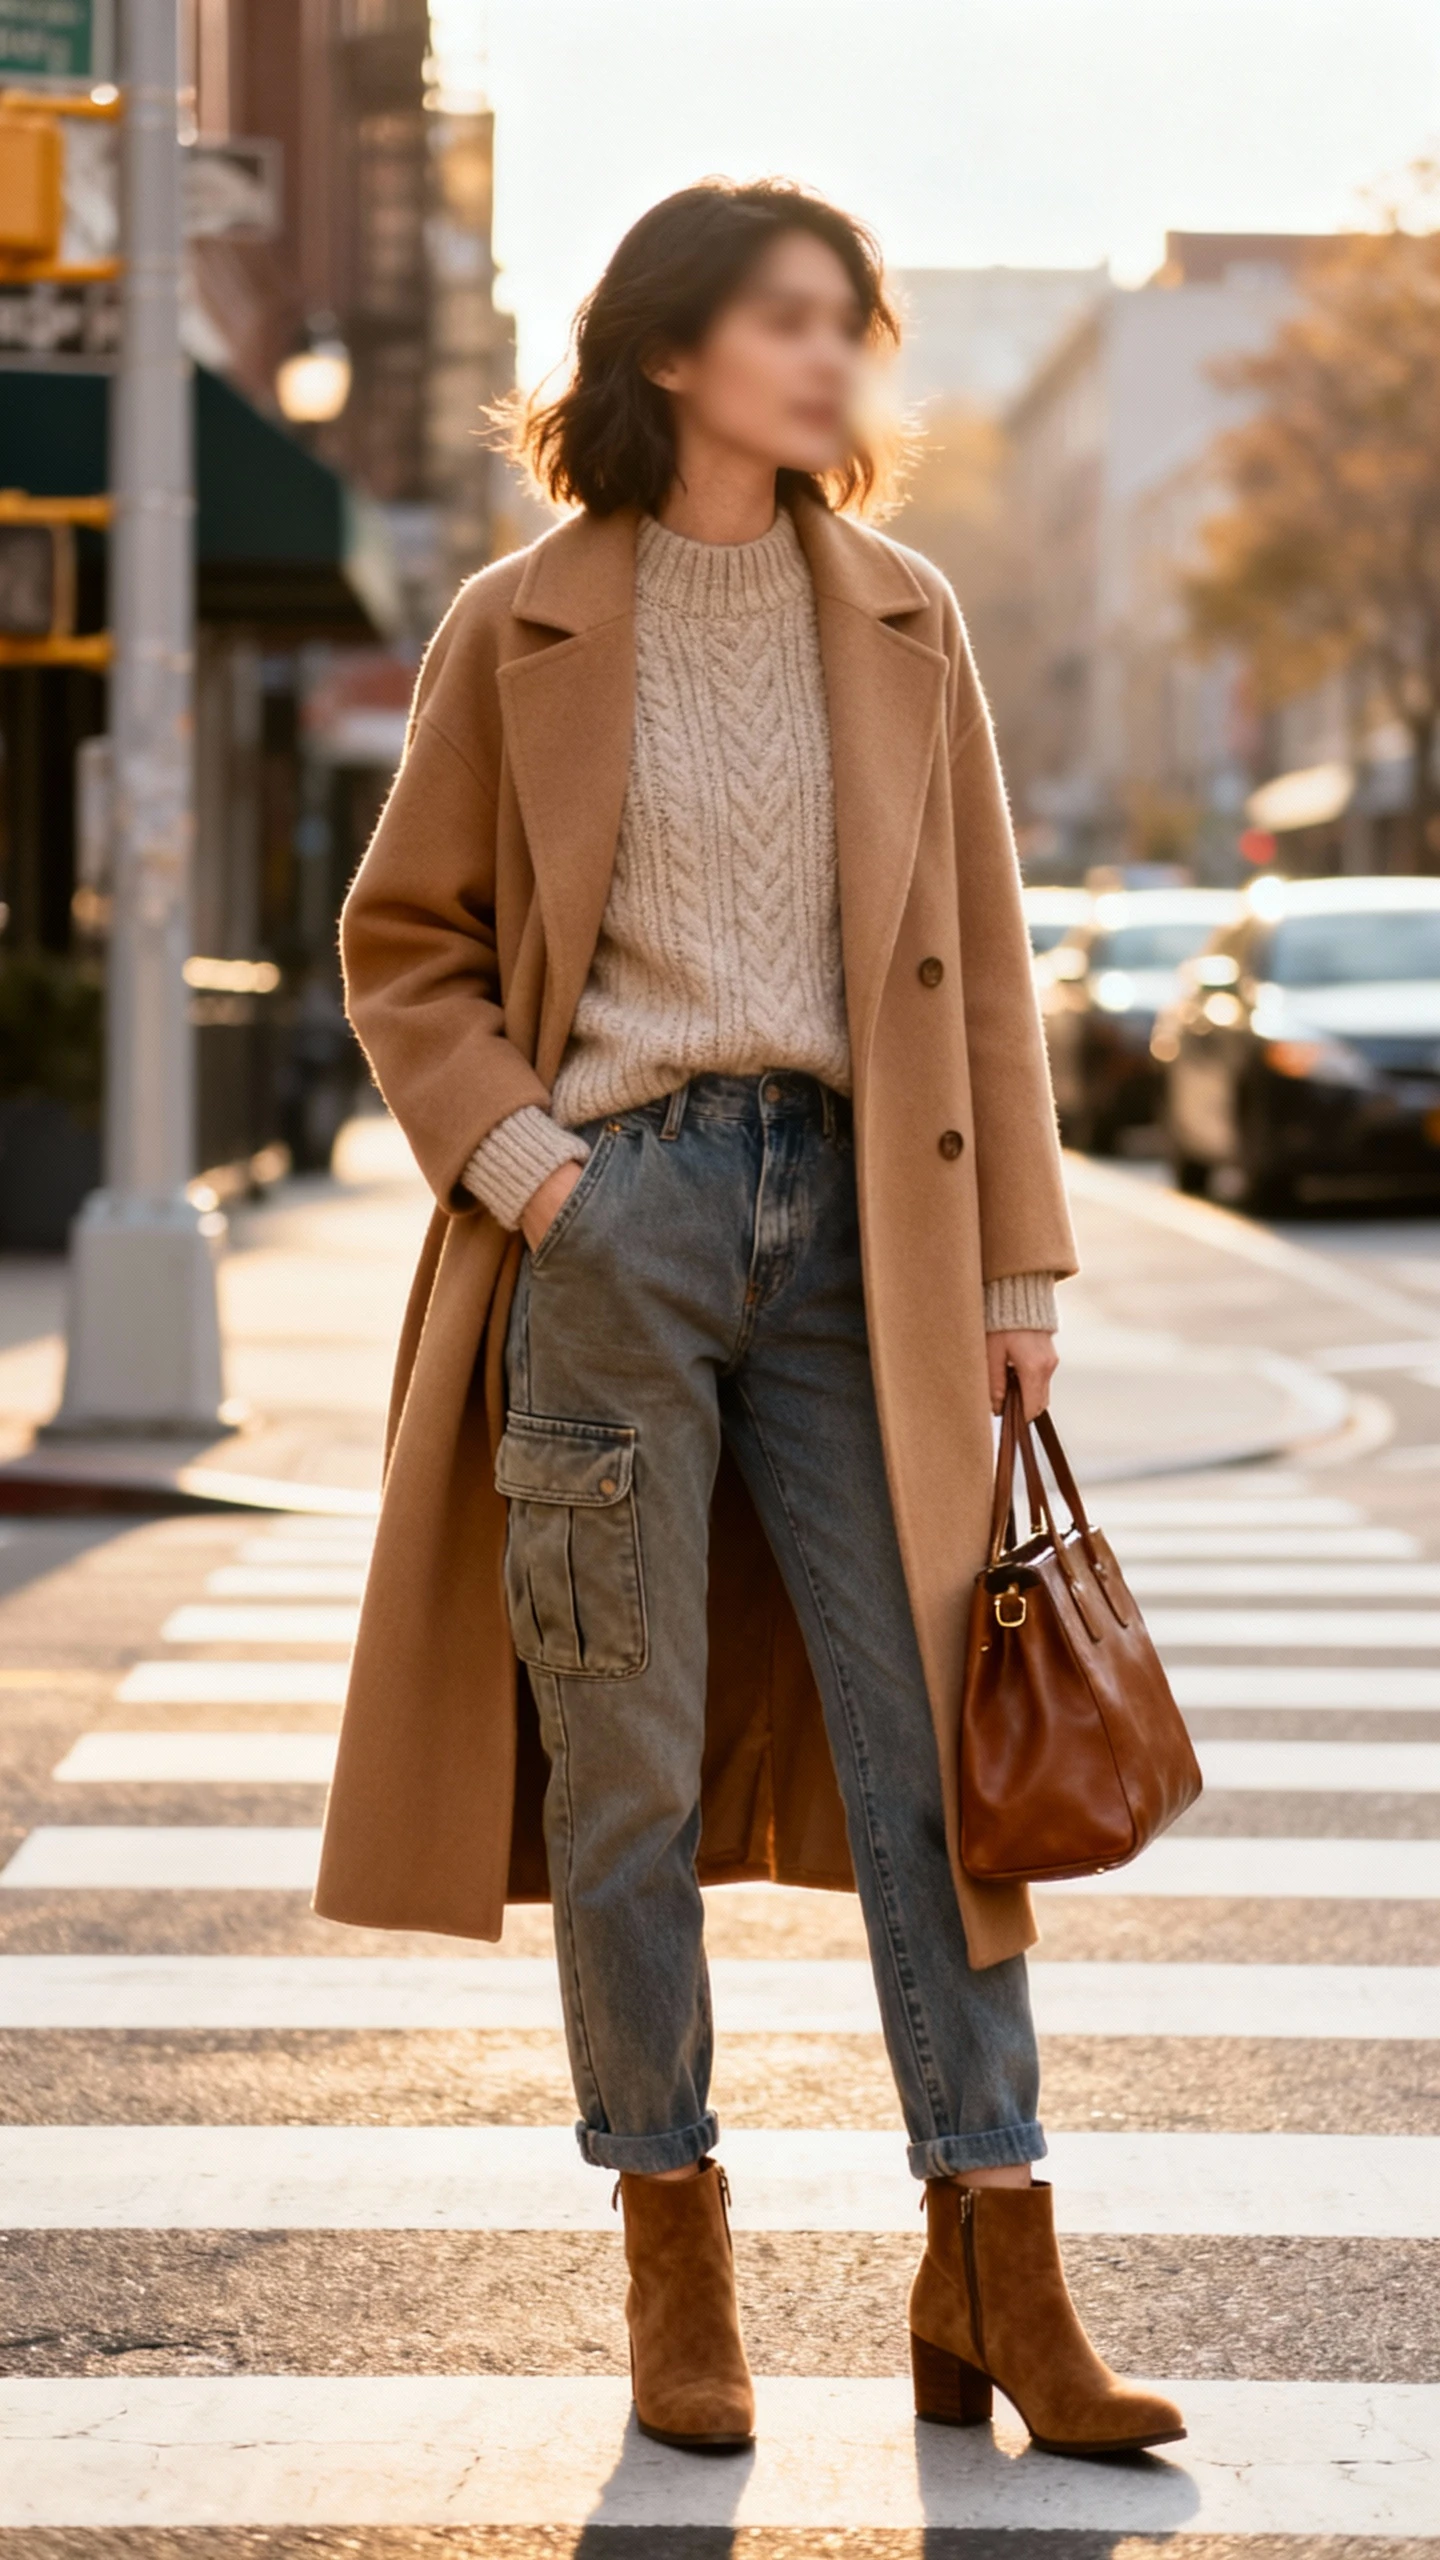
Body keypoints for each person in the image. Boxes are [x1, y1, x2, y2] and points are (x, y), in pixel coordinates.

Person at [314, 177, 1185, 2463]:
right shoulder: (519, 625)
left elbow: (985, 963)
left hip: (866, 1240)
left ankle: (993, 2248)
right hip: (623, 1222)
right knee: (617, 1751)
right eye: (791, 321)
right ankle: (670, 2244)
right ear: (674, 353)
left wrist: (1017, 1276)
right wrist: (543, 1176)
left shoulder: (907, 615)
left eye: (853, 325)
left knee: (938, 1759)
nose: (833, 360)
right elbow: (403, 946)